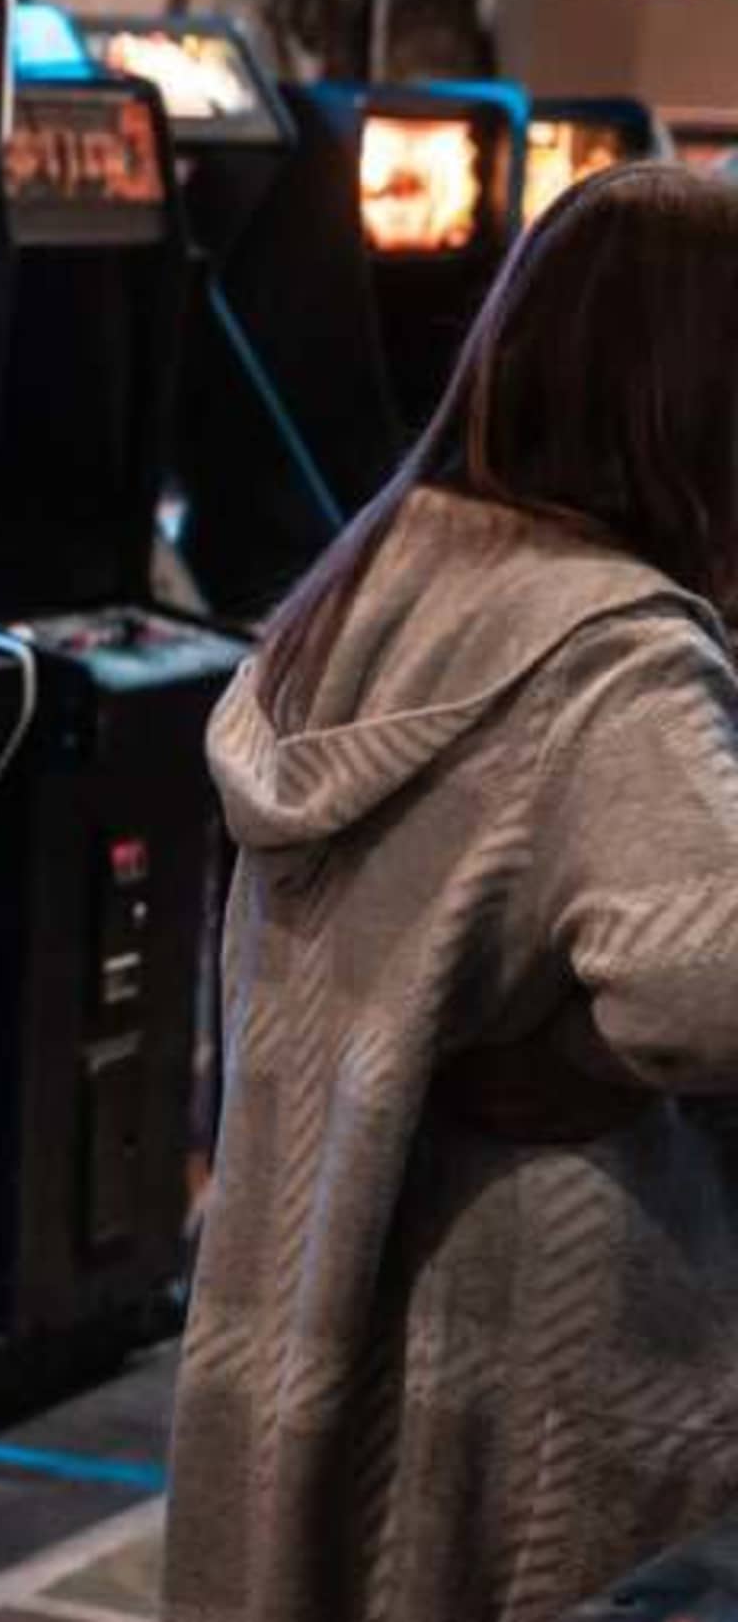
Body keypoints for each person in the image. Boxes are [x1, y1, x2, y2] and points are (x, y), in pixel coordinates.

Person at [171, 162, 738, 1622]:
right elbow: (706, 987)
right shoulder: (614, 647)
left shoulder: (375, 581)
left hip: (319, 1284)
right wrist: (577, 1049)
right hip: (544, 1337)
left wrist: (528, 1030)